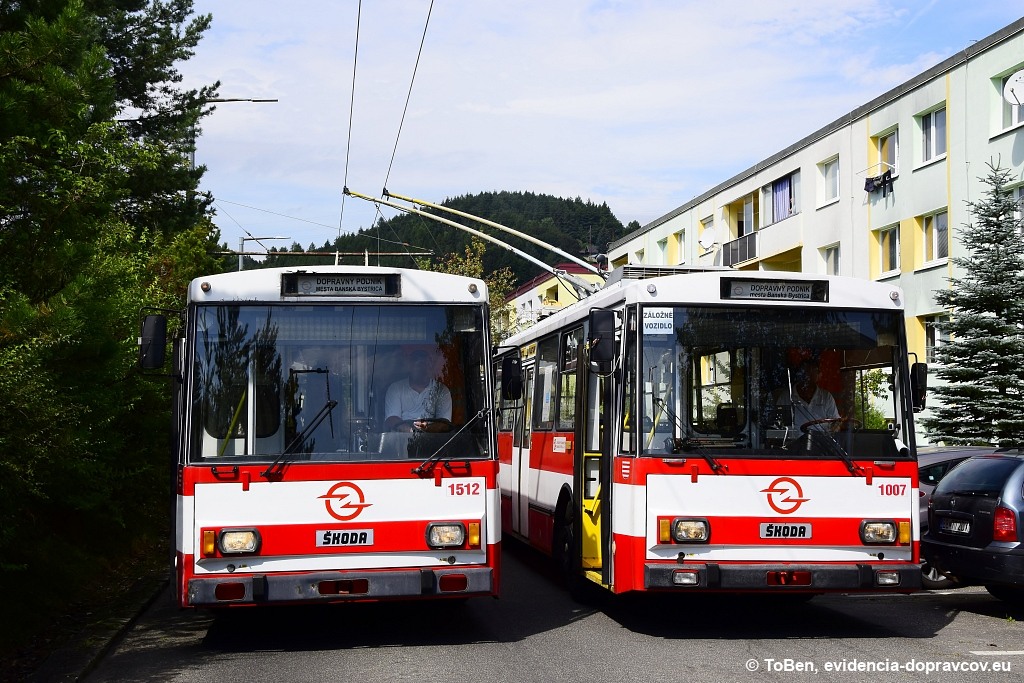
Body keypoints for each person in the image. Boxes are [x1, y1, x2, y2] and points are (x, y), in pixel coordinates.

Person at [384, 347, 452, 433]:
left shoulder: (441, 390)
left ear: (430, 367)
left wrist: (426, 428)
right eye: (418, 365)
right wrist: (411, 431)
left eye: (425, 365)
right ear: (410, 367)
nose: (422, 369)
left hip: (432, 438)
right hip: (401, 439)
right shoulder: (395, 388)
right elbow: (391, 419)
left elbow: (444, 423)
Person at [774, 356, 840, 430]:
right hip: (794, 437)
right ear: (799, 375)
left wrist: (835, 427)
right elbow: (778, 425)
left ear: (818, 375)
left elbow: (835, 422)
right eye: (805, 372)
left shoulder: (826, 397)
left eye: (812, 372)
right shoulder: (786, 397)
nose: (808, 376)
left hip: (821, 437)